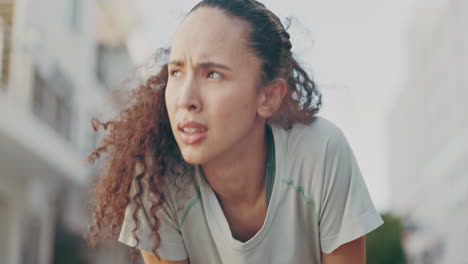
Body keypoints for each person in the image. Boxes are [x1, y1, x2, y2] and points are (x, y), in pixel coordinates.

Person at [87, 0, 384, 263]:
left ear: (268, 96)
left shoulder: (320, 153)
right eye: (176, 72)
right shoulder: (156, 175)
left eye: (212, 73)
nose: (185, 99)